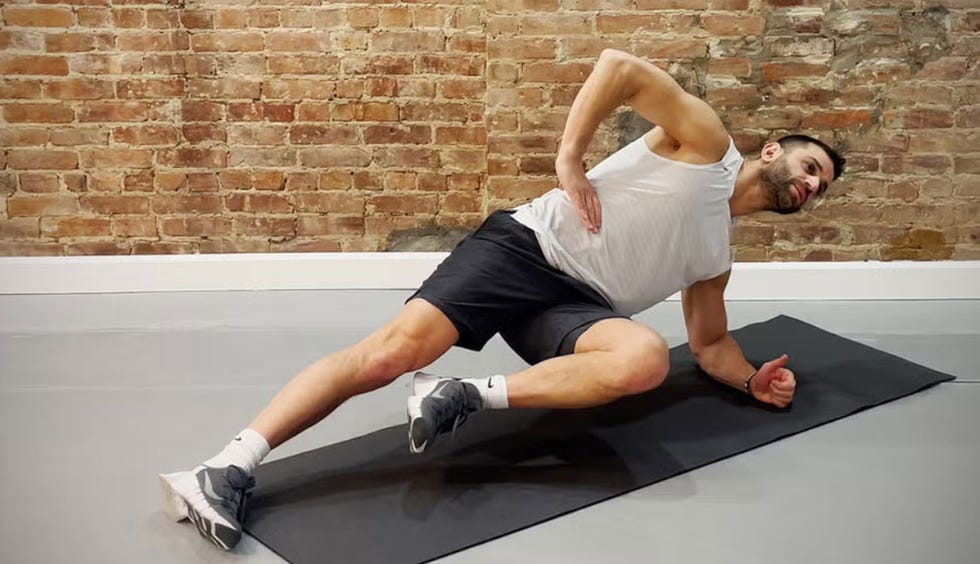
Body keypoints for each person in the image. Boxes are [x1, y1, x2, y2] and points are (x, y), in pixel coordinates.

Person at [160, 48, 845, 550]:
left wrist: (753, 378)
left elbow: (708, 345)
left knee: (644, 360)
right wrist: (570, 158)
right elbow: (618, 68)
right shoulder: (709, 144)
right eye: (811, 167)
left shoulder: (716, 257)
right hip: (523, 251)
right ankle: (224, 469)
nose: (812, 185)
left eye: (822, 187)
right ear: (773, 152)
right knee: (388, 356)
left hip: (574, 308)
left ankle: (461, 395)